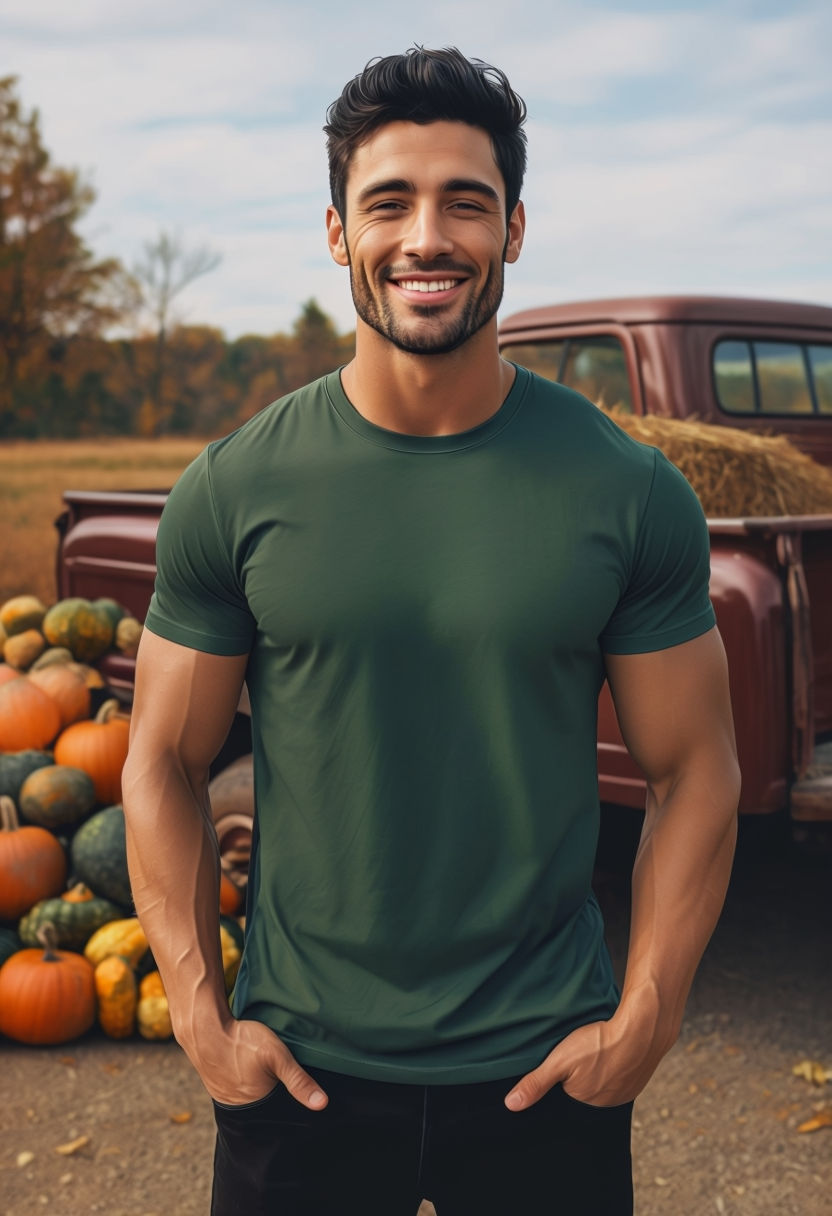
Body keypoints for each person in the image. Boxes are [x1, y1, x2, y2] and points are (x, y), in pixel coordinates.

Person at [121, 46, 740, 1216]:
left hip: (545, 1077)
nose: (425, 237)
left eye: (465, 200)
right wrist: (205, 1021)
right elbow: (162, 758)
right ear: (336, 231)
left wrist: (645, 1018)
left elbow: (695, 765)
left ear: (511, 229)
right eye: (388, 202)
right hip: (298, 1083)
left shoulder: (628, 489)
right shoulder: (235, 487)